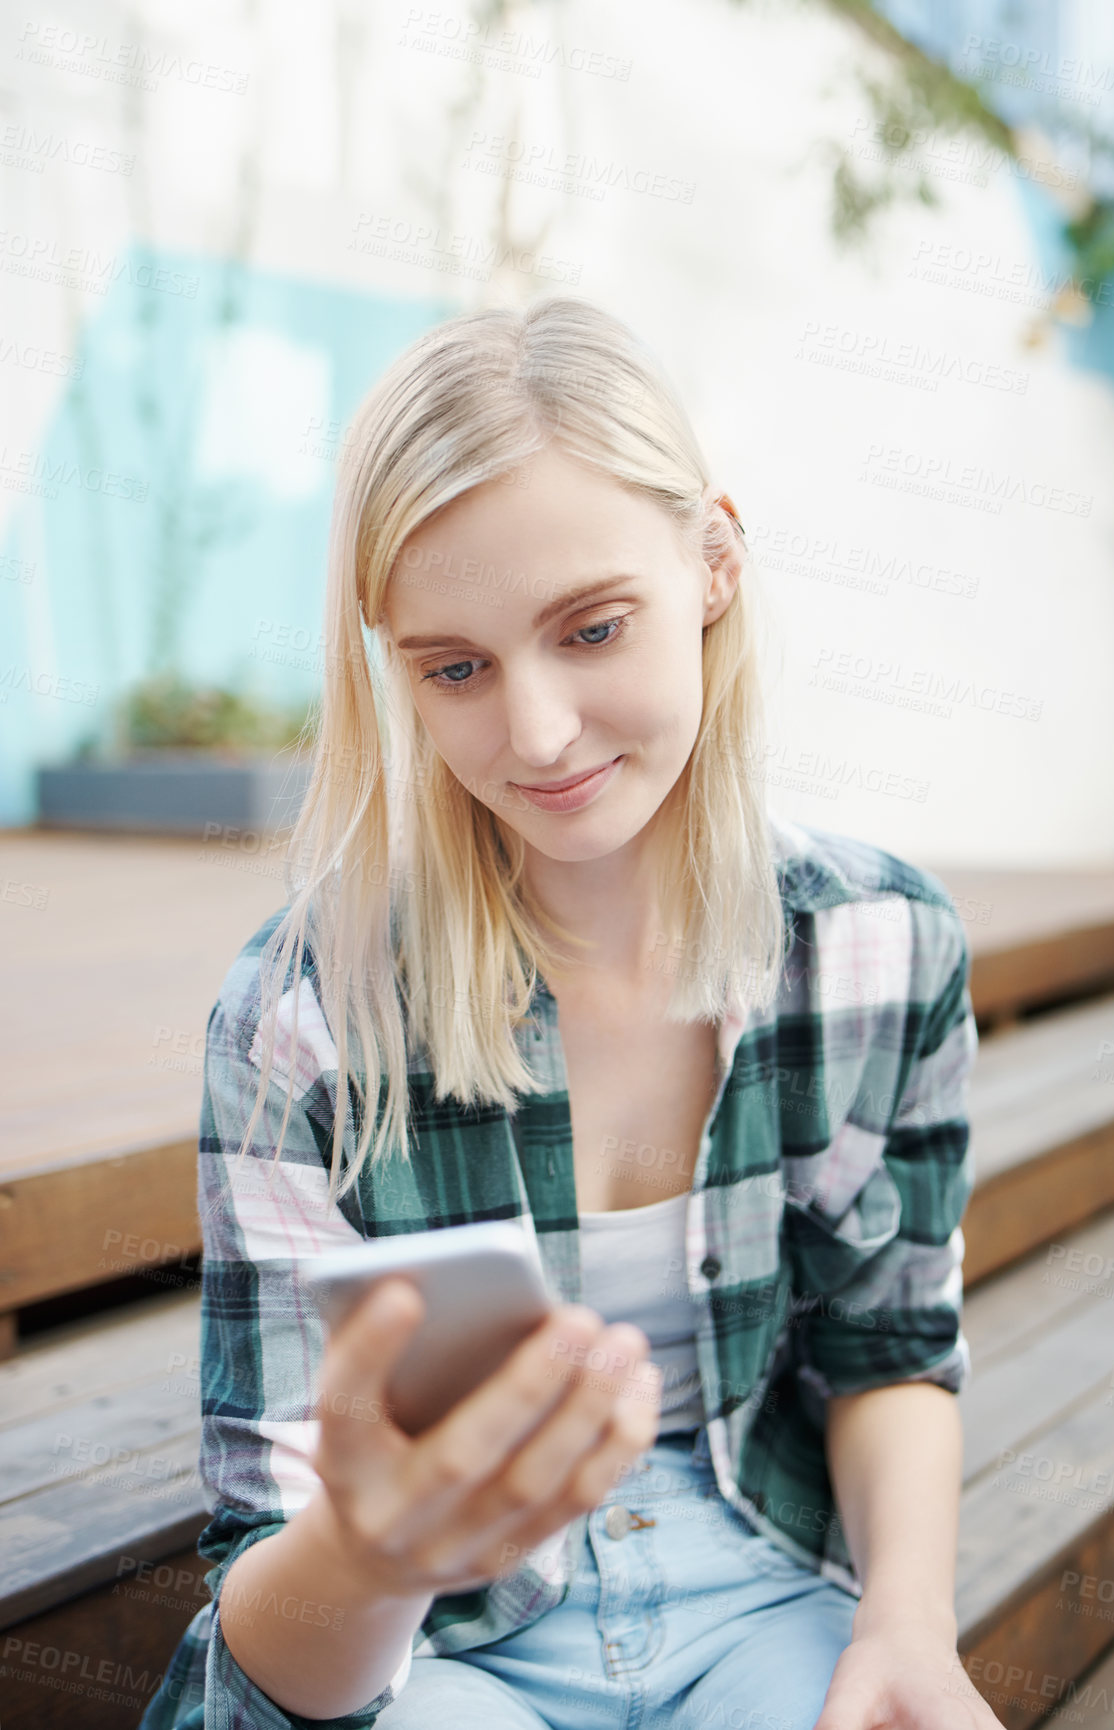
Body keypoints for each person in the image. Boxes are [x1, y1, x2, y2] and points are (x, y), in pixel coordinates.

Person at [140, 295, 998, 1730]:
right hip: (436, 1638)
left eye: (590, 628)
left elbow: (889, 1345)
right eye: (453, 667)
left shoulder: (876, 945)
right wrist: (372, 1545)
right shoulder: (304, 1016)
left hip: (758, 1581)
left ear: (713, 562)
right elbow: (273, 1627)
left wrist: (908, 1626)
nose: (533, 733)